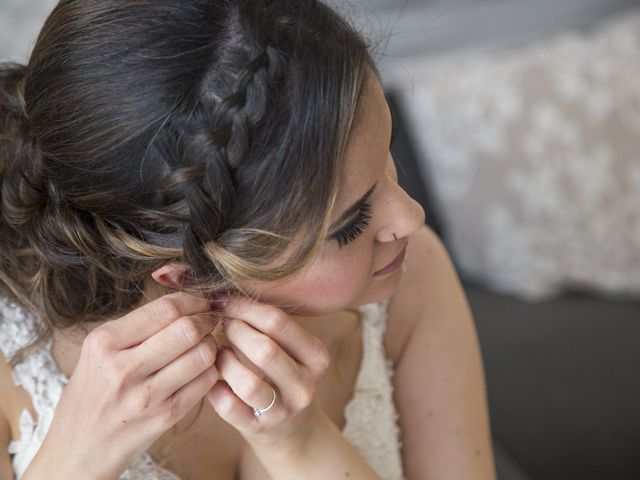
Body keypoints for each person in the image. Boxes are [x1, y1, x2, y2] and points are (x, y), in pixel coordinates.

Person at [0, 0, 497, 478]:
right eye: (349, 223)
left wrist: (300, 444)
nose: (412, 217)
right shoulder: (9, 355)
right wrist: (74, 462)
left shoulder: (415, 278)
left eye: (384, 153)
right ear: (193, 276)